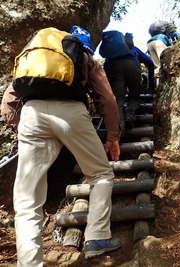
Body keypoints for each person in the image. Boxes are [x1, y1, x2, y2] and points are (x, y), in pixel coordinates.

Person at [1, 26, 121, 266]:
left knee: (27, 200)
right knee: (101, 174)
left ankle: (29, 263)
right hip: (71, 112)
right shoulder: (84, 56)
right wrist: (112, 136)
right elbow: (107, 97)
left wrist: (19, 126)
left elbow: (8, 100)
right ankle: (97, 238)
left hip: (32, 113)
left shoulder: (37, 56)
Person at [103, 32, 142, 132]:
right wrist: (151, 86)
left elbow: (105, 73)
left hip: (113, 66)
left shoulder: (110, 56)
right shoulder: (134, 50)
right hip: (132, 64)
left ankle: (120, 130)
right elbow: (150, 62)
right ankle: (130, 113)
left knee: (118, 100)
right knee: (134, 94)